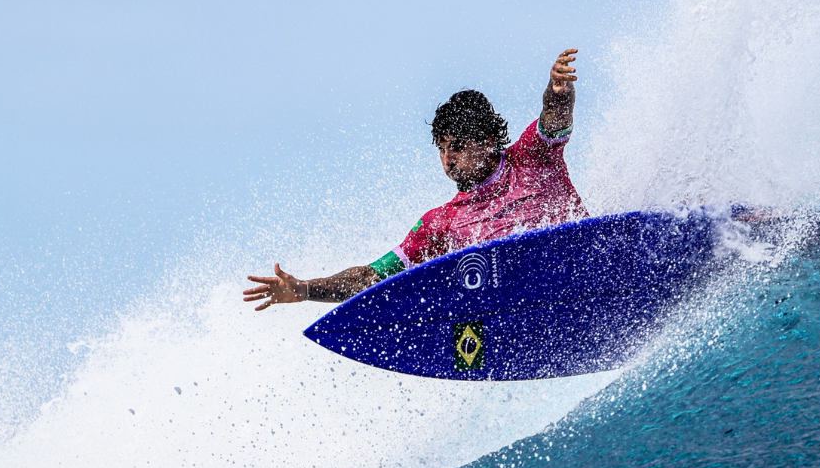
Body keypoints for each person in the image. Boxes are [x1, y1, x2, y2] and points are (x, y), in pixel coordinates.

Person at [244, 49, 588, 309]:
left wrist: (558, 89)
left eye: (457, 147)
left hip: (583, 268)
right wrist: (304, 289)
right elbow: (370, 277)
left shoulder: (531, 156)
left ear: (486, 142)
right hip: (531, 304)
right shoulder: (440, 224)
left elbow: (555, 116)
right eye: (441, 149)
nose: (447, 160)